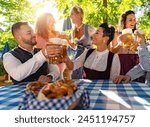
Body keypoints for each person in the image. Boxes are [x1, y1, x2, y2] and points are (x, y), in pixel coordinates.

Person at [35, 13, 68, 79]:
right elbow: (43, 55)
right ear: (43, 23)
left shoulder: (57, 34)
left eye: (53, 19)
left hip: (62, 69)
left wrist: (65, 41)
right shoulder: (39, 37)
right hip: (50, 72)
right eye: (50, 20)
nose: (53, 21)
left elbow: (64, 52)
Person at [69, 5, 96, 79]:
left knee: (89, 78)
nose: (70, 16)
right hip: (78, 57)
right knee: (76, 78)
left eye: (72, 14)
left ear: (80, 15)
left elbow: (99, 38)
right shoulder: (73, 30)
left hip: (89, 56)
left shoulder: (89, 28)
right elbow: (74, 47)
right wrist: (66, 40)